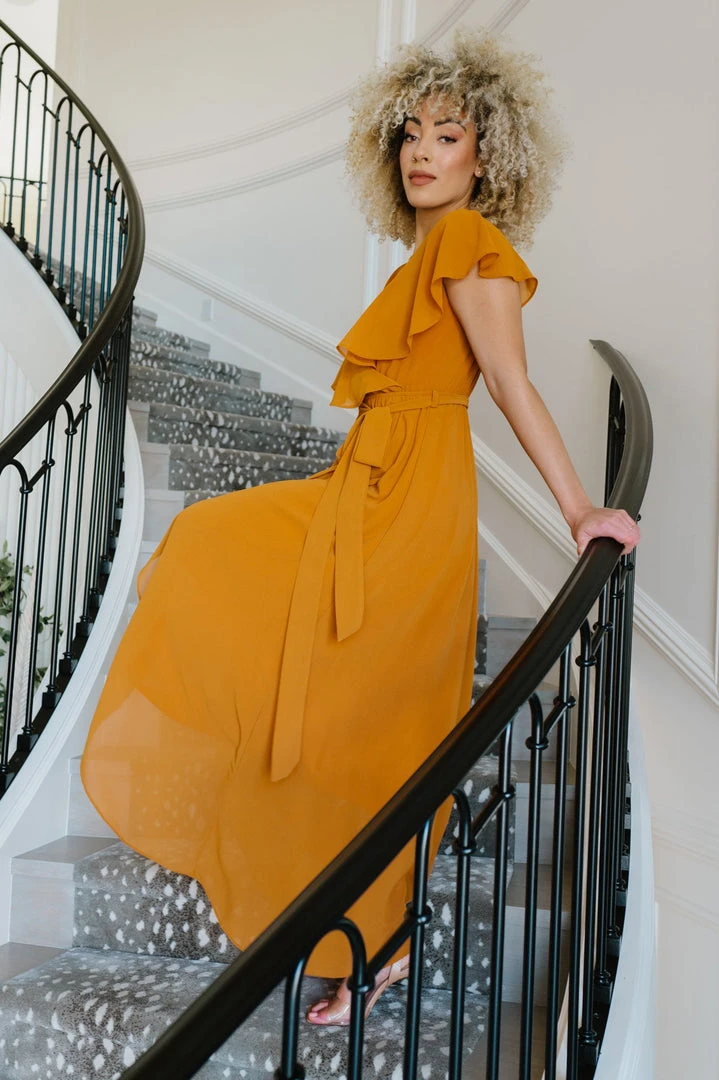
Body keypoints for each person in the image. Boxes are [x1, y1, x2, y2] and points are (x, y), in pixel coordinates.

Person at [81, 28, 639, 1029]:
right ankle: (375, 937)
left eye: (447, 135)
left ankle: (376, 939)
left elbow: (508, 383)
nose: (422, 151)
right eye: (410, 134)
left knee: (369, 715)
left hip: (411, 500)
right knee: (344, 708)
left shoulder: (469, 243)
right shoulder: (428, 251)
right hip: (367, 483)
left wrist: (577, 511)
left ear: (487, 155)